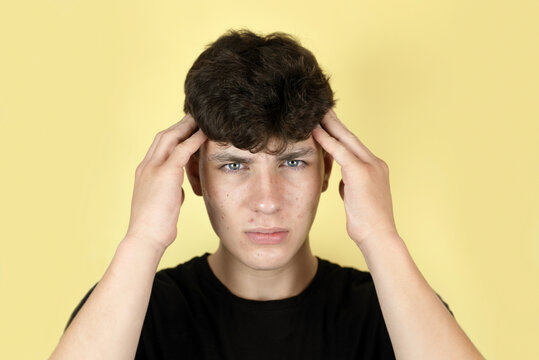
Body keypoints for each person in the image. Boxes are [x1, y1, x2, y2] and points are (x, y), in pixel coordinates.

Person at [49, 29, 484, 360]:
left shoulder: (389, 310)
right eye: (234, 165)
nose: (268, 201)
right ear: (195, 177)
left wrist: (381, 236)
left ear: (327, 170)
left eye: (292, 162)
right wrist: (141, 239)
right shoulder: (136, 310)